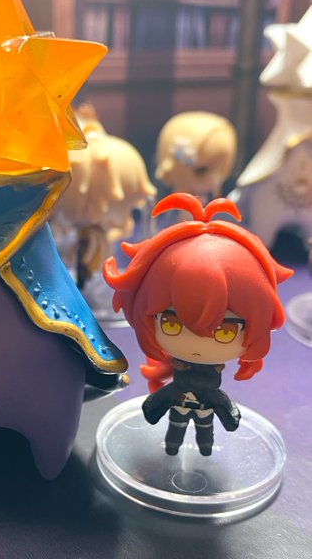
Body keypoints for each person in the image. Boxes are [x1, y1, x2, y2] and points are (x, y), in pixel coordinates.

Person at [103, 192, 293, 455]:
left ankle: (204, 449)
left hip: (205, 412)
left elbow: (218, 400)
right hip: (179, 409)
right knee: (176, 431)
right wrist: (155, 405)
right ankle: (173, 448)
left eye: (225, 331)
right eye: (171, 324)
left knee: (205, 433)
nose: (198, 339)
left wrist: (227, 412)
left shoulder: (210, 388)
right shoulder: (179, 380)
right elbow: (167, 395)